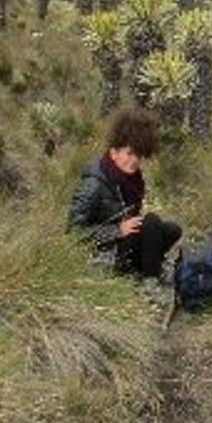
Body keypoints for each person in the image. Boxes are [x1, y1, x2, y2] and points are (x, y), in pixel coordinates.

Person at [68, 107, 182, 298]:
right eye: (129, 153)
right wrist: (117, 230)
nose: (134, 160)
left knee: (171, 229)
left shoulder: (131, 180)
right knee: (152, 221)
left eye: (138, 155)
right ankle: (150, 284)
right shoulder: (94, 184)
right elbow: (73, 233)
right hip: (103, 254)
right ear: (114, 152)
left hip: (122, 246)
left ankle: (148, 268)